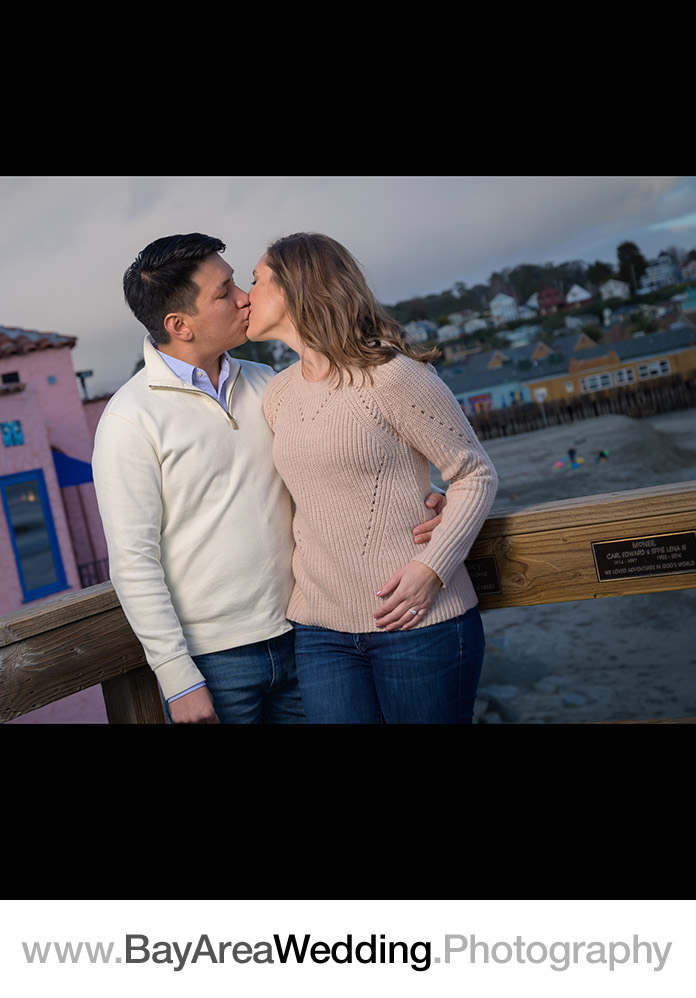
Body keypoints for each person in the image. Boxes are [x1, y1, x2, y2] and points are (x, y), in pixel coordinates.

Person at [93, 235, 446, 724]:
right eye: (224, 291)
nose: (244, 297)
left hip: (310, 637)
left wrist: (424, 498)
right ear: (180, 325)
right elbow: (133, 560)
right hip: (215, 664)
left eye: (239, 281)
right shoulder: (129, 419)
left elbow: (330, 473)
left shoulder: (268, 385)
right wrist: (178, 678)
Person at [247, 232, 497, 724]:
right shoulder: (277, 394)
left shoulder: (392, 375)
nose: (244, 295)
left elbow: (474, 473)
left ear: (294, 288)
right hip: (321, 630)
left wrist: (434, 566)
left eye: (254, 281)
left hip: (420, 621)